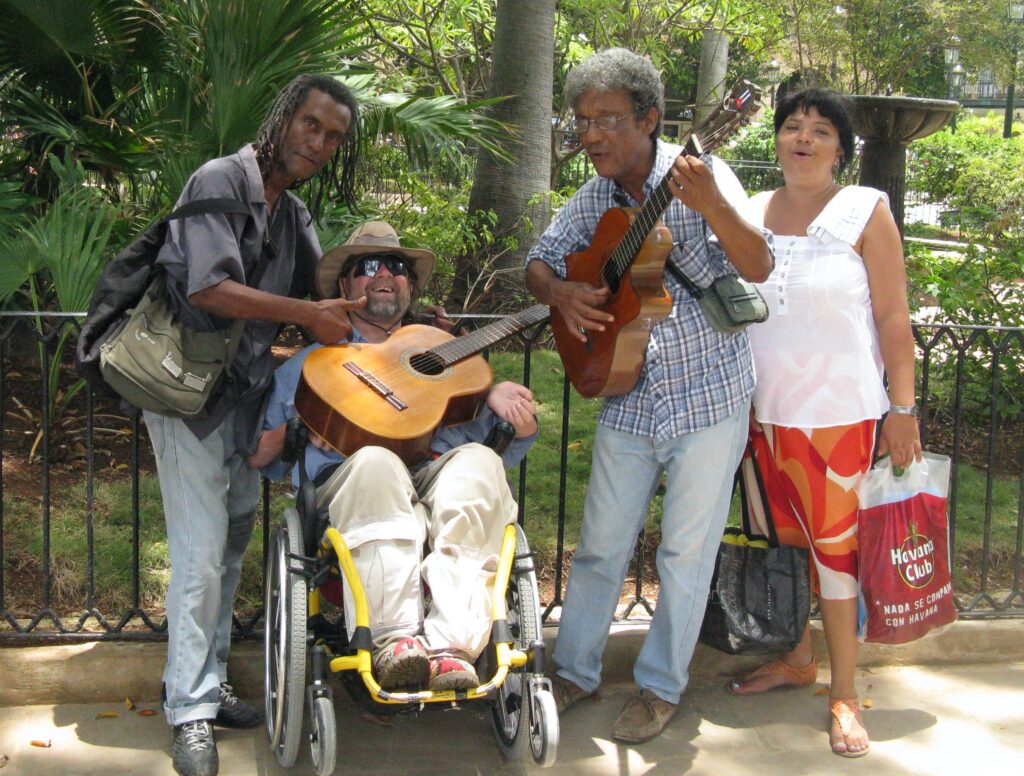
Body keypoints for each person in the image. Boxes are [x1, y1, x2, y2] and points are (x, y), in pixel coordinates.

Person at [525, 48, 773, 744]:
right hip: (628, 393)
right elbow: (538, 260)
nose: (592, 136)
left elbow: (759, 263)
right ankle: (575, 671)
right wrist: (561, 291)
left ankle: (661, 687)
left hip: (707, 395)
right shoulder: (595, 197)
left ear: (651, 119)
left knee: (685, 555)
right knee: (602, 546)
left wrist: (713, 203)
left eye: (607, 120)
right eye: (583, 122)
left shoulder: (703, 171)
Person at [144, 74, 365, 776]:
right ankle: (188, 712)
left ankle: (199, 682)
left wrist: (411, 324)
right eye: (310, 124)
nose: (319, 143)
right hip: (186, 398)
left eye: (333, 137)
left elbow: (327, 302)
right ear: (281, 118)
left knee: (232, 543)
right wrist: (304, 317)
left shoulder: (291, 214)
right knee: (202, 555)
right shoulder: (219, 180)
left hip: (242, 399)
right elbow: (208, 286)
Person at [249, 221, 539, 693]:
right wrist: (304, 425)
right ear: (345, 286)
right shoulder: (312, 365)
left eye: (398, 266)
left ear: (411, 286)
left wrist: (507, 406)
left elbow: (504, 442)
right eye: (367, 266)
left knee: (480, 464)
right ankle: (394, 642)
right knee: (375, 461)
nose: (384, 273)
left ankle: (453, 647)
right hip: (356, 486)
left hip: (433, 475)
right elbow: (258, 454)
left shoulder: (441, 353)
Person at [726, 88, 922, 759]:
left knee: (835, 560)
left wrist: (903, 408)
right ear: (776, 141)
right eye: (791, 127)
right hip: (758, 413)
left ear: (842, 147)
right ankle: (798, 659)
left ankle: (843, 693)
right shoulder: (749, 213)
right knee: (785, 545)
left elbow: (894, 319)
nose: (802, 138)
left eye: (819, 130)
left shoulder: (865, 210)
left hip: (837, 416)